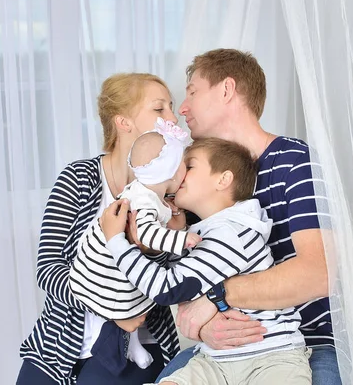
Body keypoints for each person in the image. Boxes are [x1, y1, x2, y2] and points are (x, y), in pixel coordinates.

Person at [159, 49, 341, 385]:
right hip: (222, 351)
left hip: (307, 344)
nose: (182, 109)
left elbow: (319, 274)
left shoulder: (295, 161)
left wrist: (216, 297)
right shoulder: (195, 183)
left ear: (227, 89)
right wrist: (203, 324)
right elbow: (186, 281)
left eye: (192, 92)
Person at [100, 137, 312, 385]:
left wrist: (115, 241)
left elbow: (168, 289)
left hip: (271, 357)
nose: (178, 173)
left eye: (188, 166)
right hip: (215, 360)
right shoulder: (206, 232)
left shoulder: (232, 232)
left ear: (223, 180)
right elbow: (186, 280)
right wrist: (171, 236)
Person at [16, 73, 181, 385]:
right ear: (123, 122)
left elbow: (176, 275)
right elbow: (48, 268)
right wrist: (111, 308)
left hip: (140, 344)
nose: (173, 118)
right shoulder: (78, 178)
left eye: (171, 108)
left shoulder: (172, 190)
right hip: (57, 344)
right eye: (160, 109)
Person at [67, 118, 200, 371]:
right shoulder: (145, 201)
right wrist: (181, 238)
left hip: (118, 263)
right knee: (131, 297)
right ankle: (126, 342)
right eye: (184, 164)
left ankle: (133, 343)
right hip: (103, 264)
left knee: (138, 293)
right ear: (171, 172)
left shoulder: (151, 194)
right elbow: (147, 234)